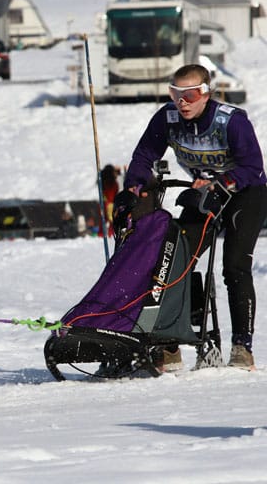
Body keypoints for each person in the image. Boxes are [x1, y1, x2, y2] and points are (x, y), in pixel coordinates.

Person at [124, 63, 267, 371]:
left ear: (206, 93)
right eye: (176, 93)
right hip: (204, 194)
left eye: (191, 94)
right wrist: (134, 187)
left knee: (235, 266)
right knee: (177, 260)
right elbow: (144, 156)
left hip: (245, 194)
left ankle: (242, 347)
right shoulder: (168, 117)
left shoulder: (231, 121)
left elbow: (253, 167)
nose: (182, 101)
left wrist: (219, 184)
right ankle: (177, 342)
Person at [101, 164, 121, 235]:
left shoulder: (103, 182)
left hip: (106, 204)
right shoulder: (113, 184)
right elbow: (112, 196)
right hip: (111, 205)